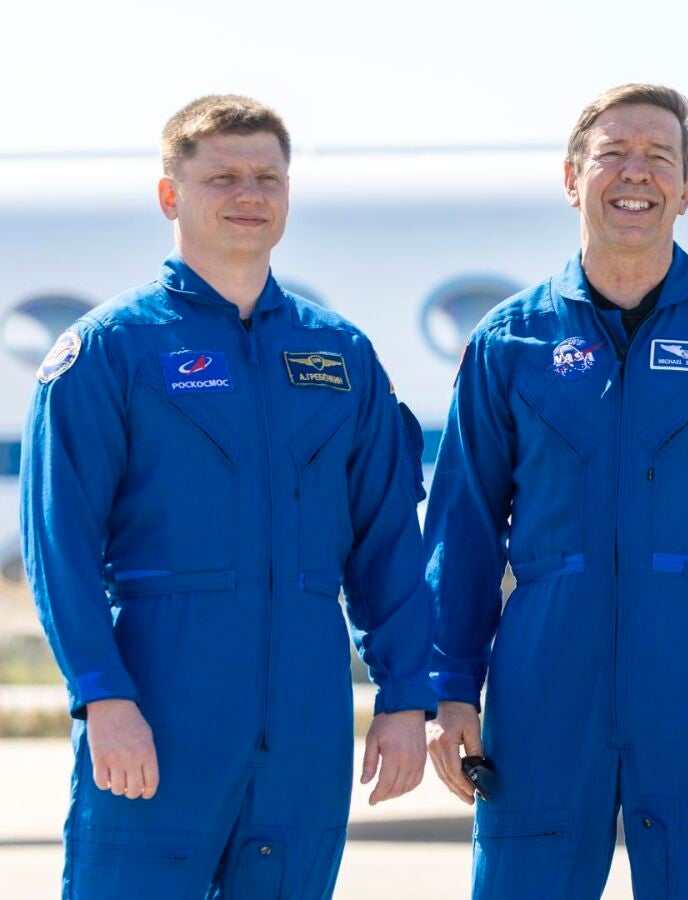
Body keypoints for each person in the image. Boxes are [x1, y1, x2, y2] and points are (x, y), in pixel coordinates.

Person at [423, 83, 688, 899]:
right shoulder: (509, 342)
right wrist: (449, 689)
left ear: (686, 189)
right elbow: (463, 531)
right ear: (571, 178)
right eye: (613, 154)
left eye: (660, 157)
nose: (637, 173)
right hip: (546, 676)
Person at [21, 95, 435, 898]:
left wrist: (403, 696)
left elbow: (388, 541)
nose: (249, 194)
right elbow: (57, 542)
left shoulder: (340, 354)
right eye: (223, 178)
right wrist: (102, 696)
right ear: (170, 196)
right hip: (162, 702)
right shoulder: (111, 350)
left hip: (306, 717)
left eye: (267, 178)